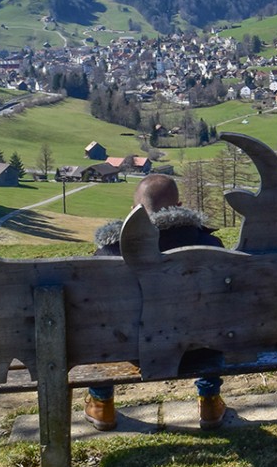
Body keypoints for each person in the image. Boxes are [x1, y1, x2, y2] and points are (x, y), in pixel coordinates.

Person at [85, 173, 229, 430]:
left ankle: (101, 405)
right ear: (179, 206)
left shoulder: (107, 252)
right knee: (212, 321)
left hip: (131, 350)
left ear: (133, 211)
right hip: (197, 348)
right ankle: (209, 400)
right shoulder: (209, 244)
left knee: (97, 329)